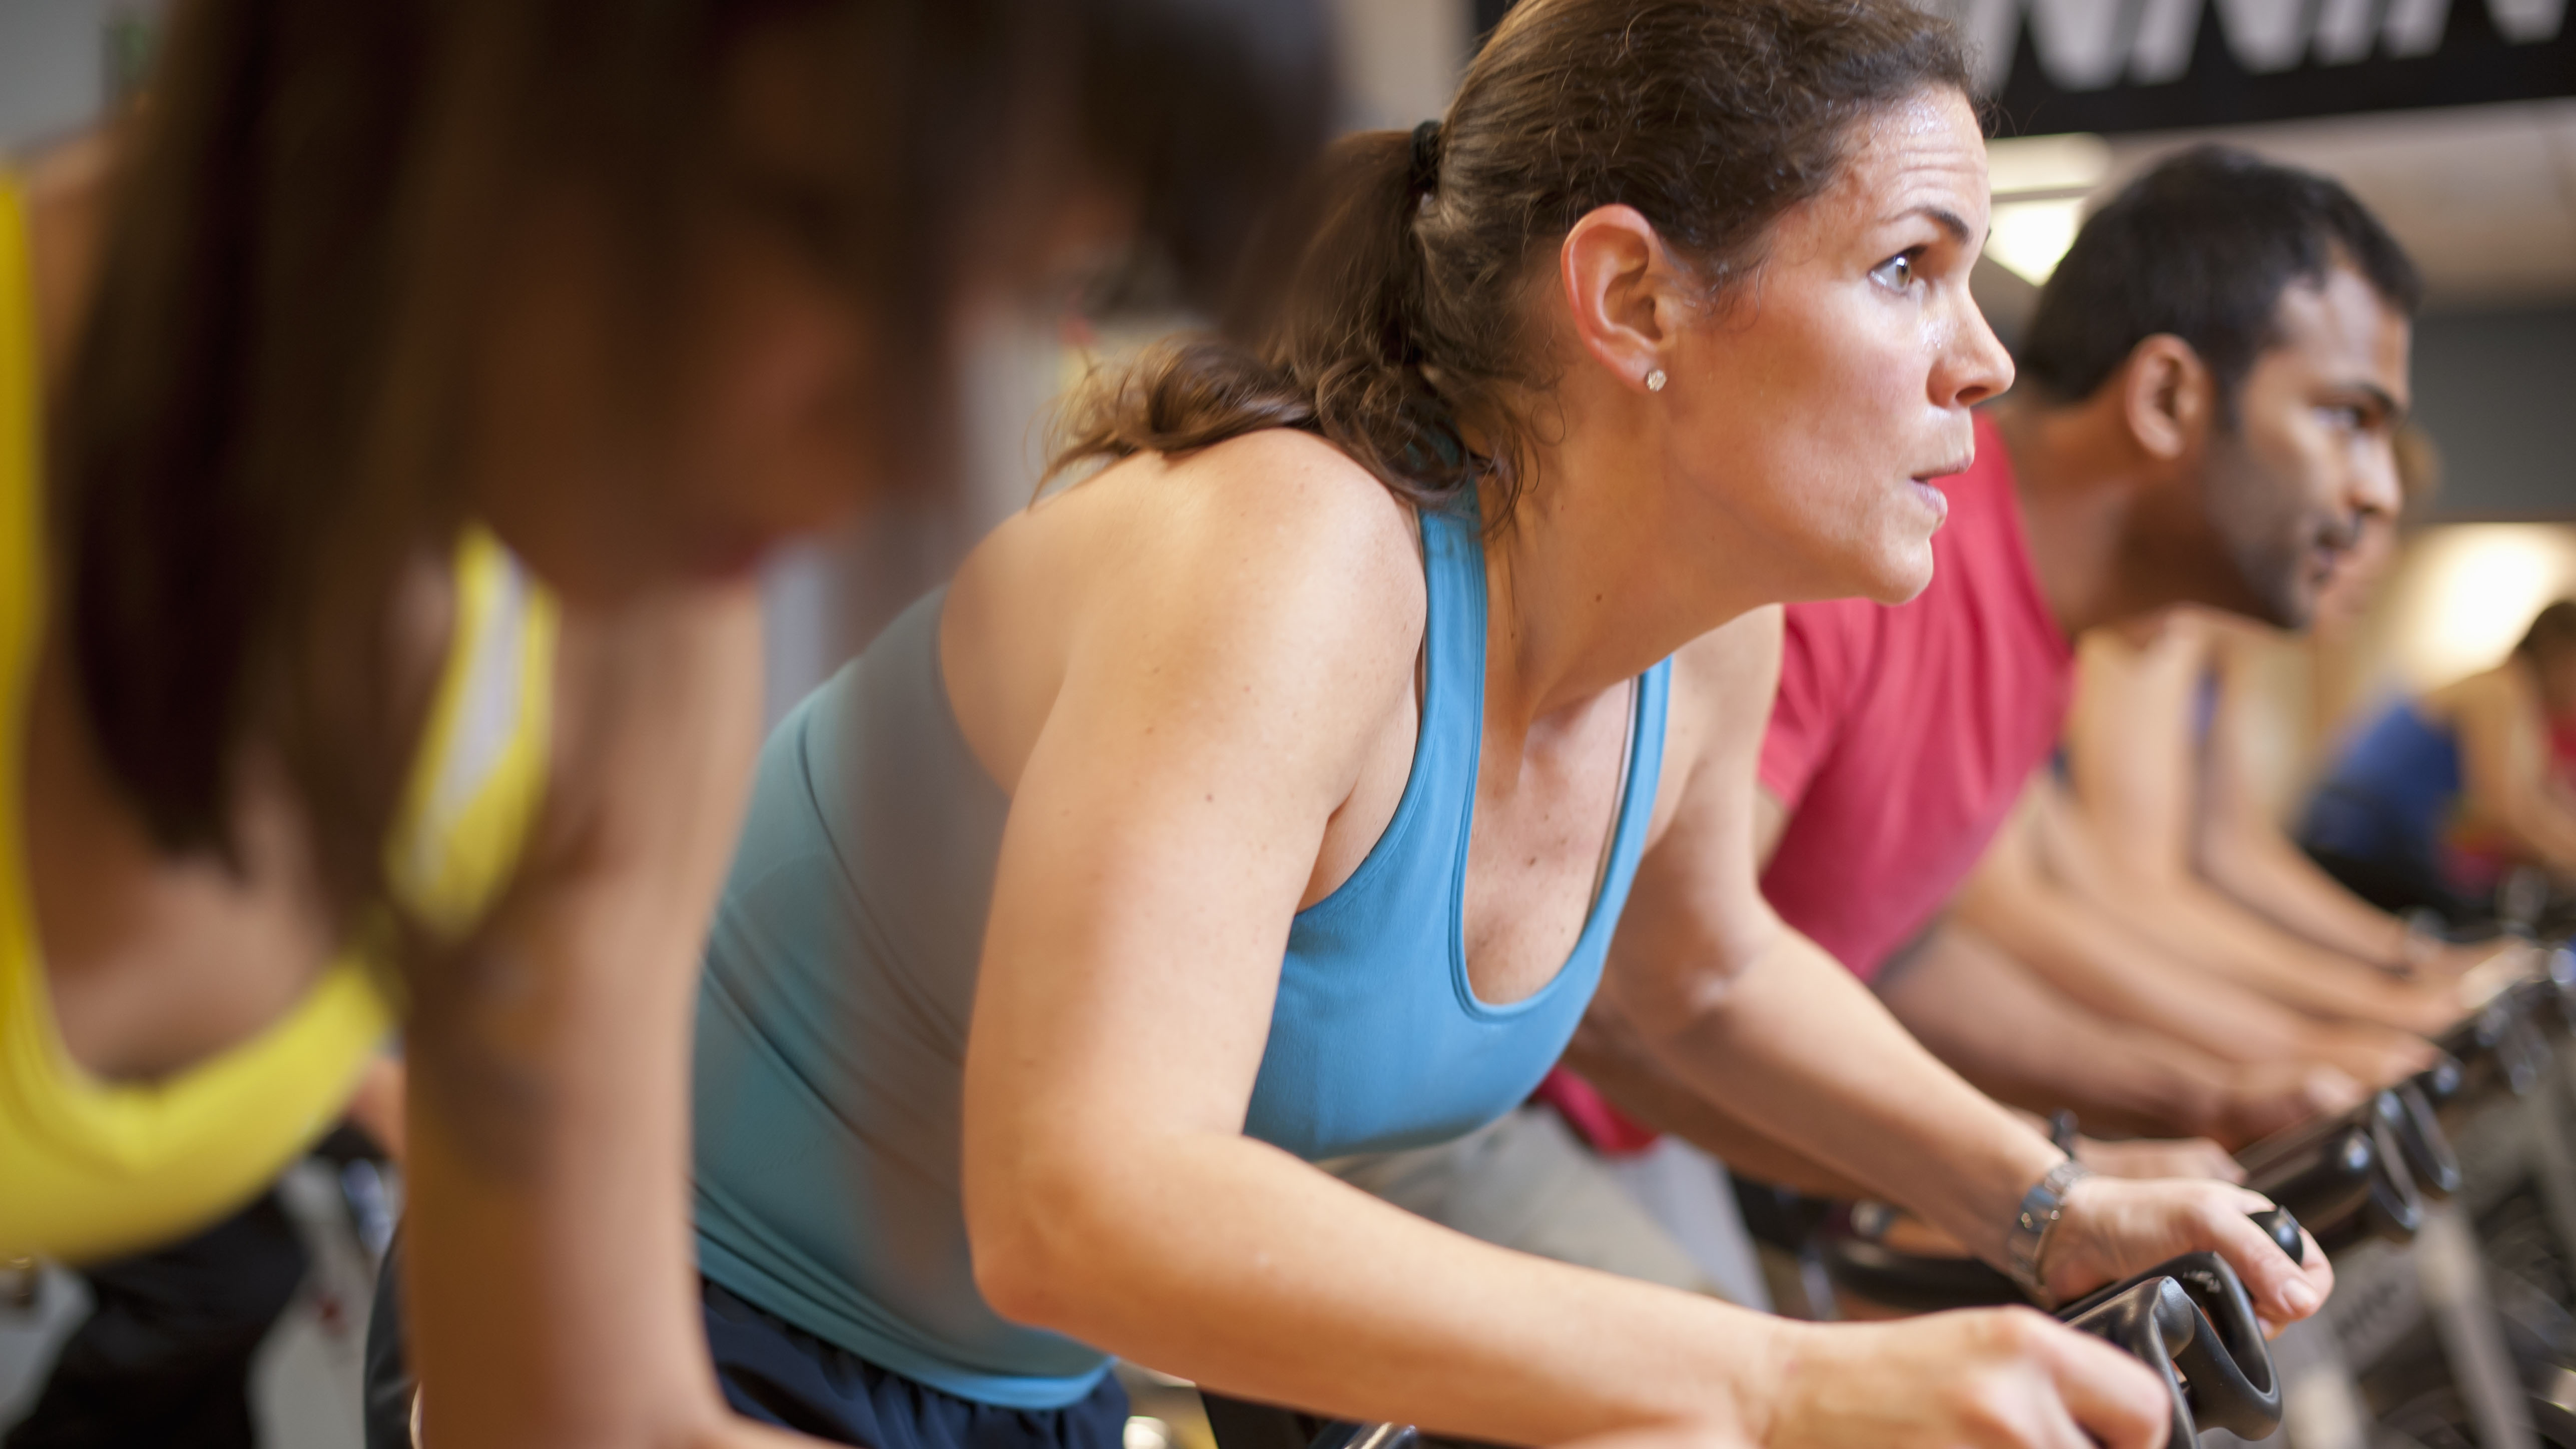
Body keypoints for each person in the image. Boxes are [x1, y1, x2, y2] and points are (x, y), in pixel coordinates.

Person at [685, 6, 2327, 1446]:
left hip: (1030, 1394)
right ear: (1629, 298)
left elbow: (1700, 983)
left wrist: (2046, 1207)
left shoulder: (1710, 648)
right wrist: (1775, 1383)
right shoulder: (1298, 551)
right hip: (697, 1337)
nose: (1981, 361)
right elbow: (1075, 1198)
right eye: (1908, 267)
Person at [0, 1, 1330, 1444]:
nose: (896, 450)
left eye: (1011, 295)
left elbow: (589, 1414)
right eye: (836, 240)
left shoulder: (622, 642)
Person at [1375, 147, 2443, 1281]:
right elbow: (1638, 987)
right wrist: (2042, 1172)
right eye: (2345, 418)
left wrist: (2202, 1089)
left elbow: (1889, 948)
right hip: (1478, 1096)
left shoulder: (2038, 637)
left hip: (1628, 1119)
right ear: (2169, 397)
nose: (2377, 489)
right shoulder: (1867, 552)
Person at [2304, 598, 2576, 919]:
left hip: (2373, 841)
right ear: (2559, 652)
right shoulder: (2500, 688)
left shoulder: (2521, 705)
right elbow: (2509, 812)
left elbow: (2546, 799)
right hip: (2355, 839)